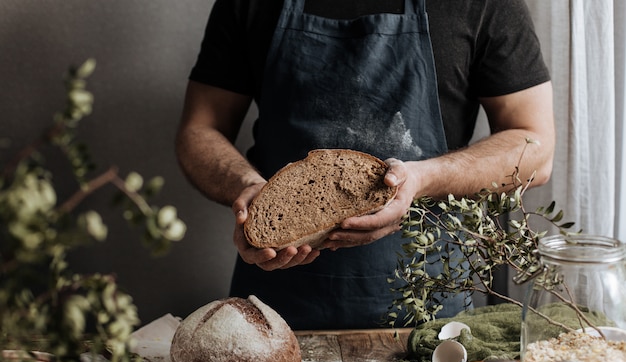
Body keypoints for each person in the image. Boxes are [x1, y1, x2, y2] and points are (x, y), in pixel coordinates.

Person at [175, 0, 555, 330]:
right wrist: (248, 189)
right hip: (273, 306)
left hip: (428, 312)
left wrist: (422, 178)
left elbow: (536, 147)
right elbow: (199, 129)